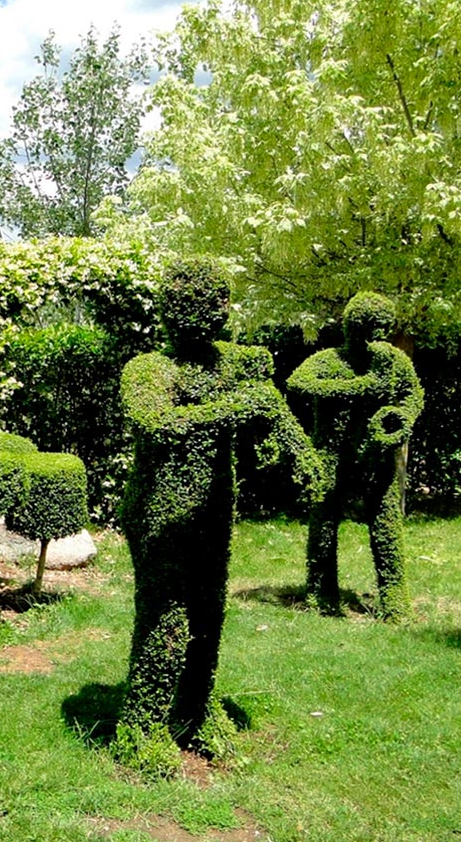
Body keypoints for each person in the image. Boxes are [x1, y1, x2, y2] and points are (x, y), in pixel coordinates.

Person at [116, 261, 322, 767]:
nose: (204, 312)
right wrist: (236, 409)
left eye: (213, 302)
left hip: (212, 510)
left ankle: (195, 711)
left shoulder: (235, 364)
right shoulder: (149, 368)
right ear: (167, 310)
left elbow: (268, 408)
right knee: (165, 618)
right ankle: (141, 727)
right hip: (159, 513)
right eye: (190, 301)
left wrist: (296, 454)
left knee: (208, 615)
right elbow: (156, 423)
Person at [287, 292, 422, 621]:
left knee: (386, 524)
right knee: (324, 523)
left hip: (378, 455)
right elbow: (297, 383)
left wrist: (403, 417)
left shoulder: (392, 360)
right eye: (361, 329)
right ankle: (321, 592)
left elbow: (412, 394)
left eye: (375, 330)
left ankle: (394, 598)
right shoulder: (329, 360)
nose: (367, 338)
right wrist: (362, 386)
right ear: (348, 327)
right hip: (331, 455)